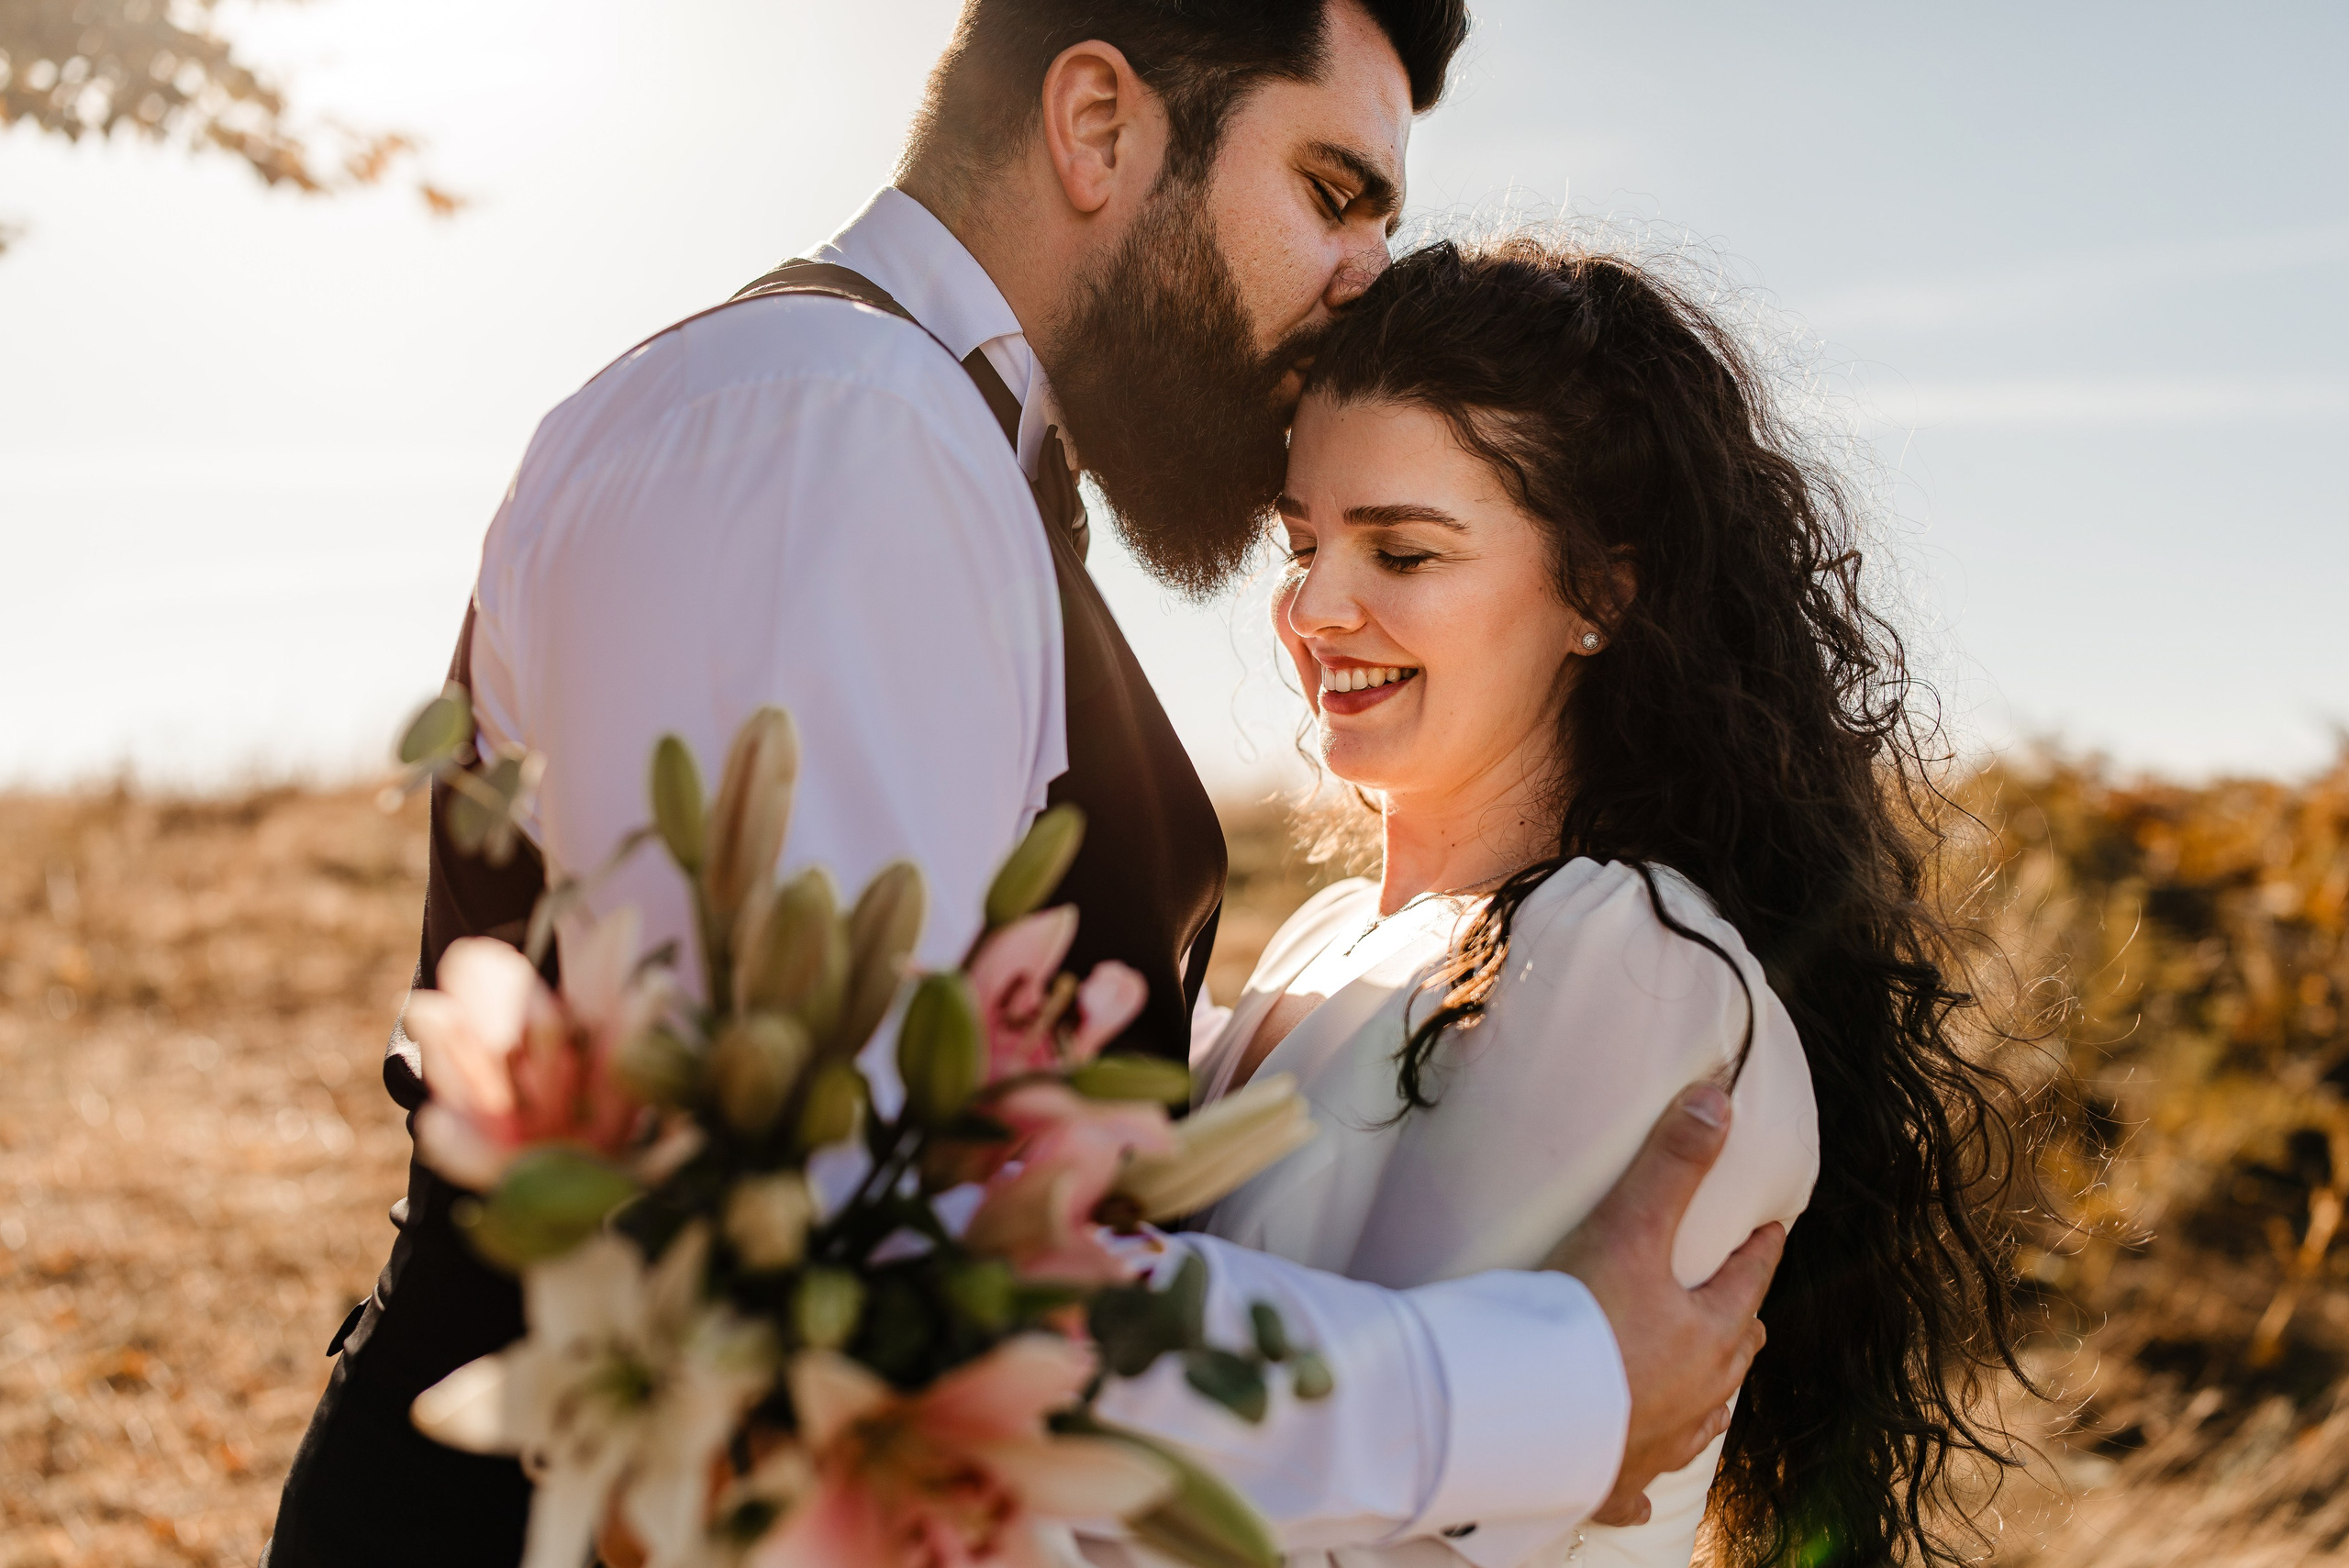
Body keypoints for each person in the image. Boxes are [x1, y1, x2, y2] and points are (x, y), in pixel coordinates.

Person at [266, 5, 1782, 1565]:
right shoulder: (826, 436)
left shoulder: (926, 446)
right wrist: (1544, 1387)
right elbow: (853, 1272)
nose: (1367, 278)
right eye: (1333, 191)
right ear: (1099, 125)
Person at [1110, 236, 2024, 1568]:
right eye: (1302, 542)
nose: (1314, 607)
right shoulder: (1323, 940)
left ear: (1599, 589)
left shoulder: (1620, 957)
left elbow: (1382, 1533)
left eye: (1404, 553)